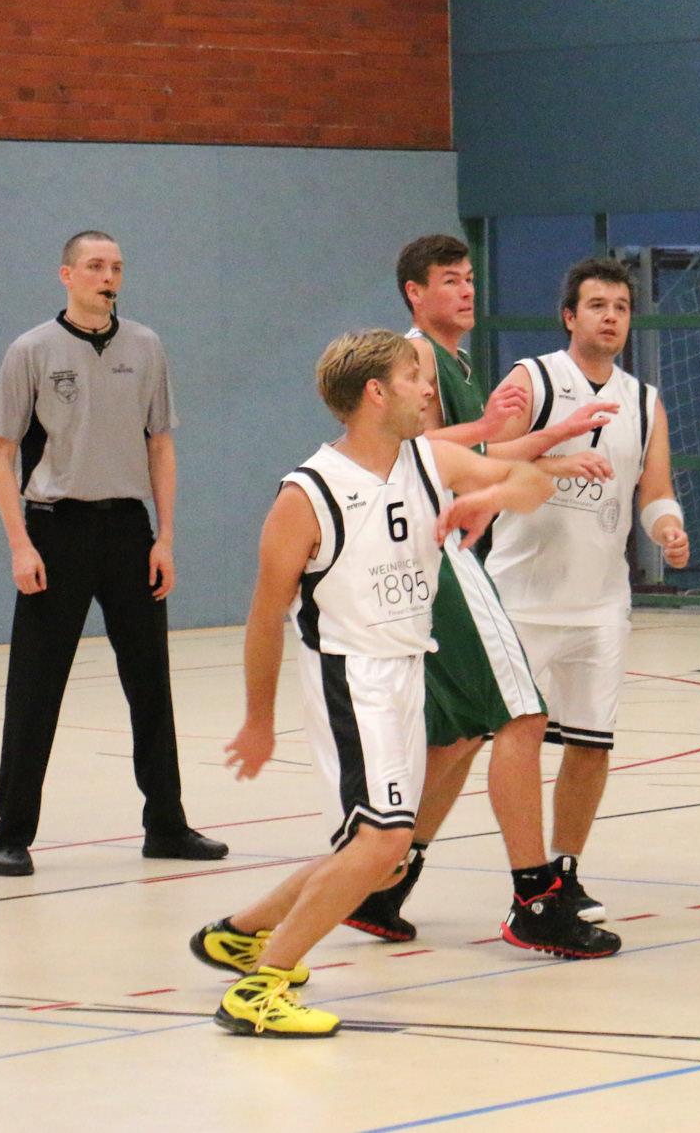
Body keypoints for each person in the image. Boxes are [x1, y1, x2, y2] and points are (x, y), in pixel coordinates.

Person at [192, 330, 555, 1036]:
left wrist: (493, 496)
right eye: (414, 377)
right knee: (384, 844)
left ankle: (239, 933)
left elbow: (535, 484)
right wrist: (258, 720)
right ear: (376, 393)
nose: (428, 388)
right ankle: (261, 987)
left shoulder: (427, 459)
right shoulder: (308, 493)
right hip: (351, 678)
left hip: (407, 672)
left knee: (378, 856)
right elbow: (265, 619)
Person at [343, 235, 618, 956]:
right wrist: (538, 442)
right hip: (437, 556)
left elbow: (475, 457)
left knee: (462, 735)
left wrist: (549, 450)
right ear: (414, 292)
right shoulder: (417, 357)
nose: (466, 290)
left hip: (426, 556)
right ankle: (535, 898)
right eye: (449, 280)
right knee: (522, 717)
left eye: (469, 278)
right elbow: (435, 459)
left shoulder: (455, 361)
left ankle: (381, 882)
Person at [0, 231, 225, 877]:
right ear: (66, 275)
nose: (108, 276)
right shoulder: (31, 350)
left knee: (150, 684)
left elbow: (160, 446)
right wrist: (20, 545)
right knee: (35, 689)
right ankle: (12, 834)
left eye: (116, 267)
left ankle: (166, 826)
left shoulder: (145, 346)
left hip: (128, 532)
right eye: (94, 266)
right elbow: (1, 454)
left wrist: (164, 538)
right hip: (55, 531)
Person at [483, 257, 694, 922]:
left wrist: (668, 528)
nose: (611, 317)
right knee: (475, 742)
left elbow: (654, 490)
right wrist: (557, 461)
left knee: (591, 742)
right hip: (522, 599)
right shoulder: (533, 379)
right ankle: (404, 862)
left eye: (621, 307)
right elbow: (483, 463)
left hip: (600, 602)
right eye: (598, 305)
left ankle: (563, 869)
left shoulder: (644, 401)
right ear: (570, 316)